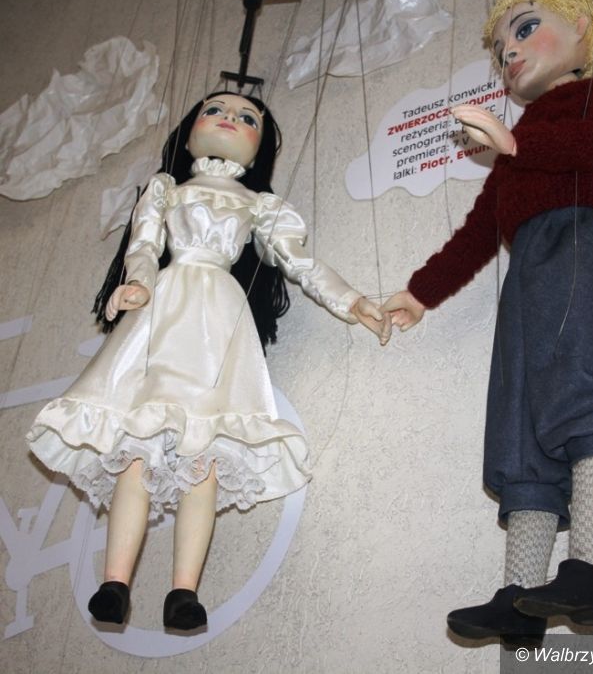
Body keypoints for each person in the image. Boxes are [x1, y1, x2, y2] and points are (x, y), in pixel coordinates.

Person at [27, 91, 390, 631]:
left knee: (206, 458)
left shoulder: (258, 205)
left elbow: (299, 262)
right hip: (164, 309)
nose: (229, 119)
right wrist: (137, 284)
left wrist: (352, 301)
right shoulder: (166, 190)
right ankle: (114, 582)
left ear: (260, 148)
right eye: (214, 111)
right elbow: (143, 247)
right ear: (190, 129)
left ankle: (184, 592)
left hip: (219, 319)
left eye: (248, 119)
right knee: (135, 451)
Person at [382, 0, 593, 648]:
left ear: (580, 28)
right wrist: (421, 291)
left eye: (525, 30)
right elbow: (479, 230)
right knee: (520, 429)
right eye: (501, 50)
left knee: (584, 396)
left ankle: (587, 572)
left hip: (578, 248)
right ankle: (519, 600)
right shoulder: (515, 145)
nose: (511, 53)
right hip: (527, 275)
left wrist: (514, 143)